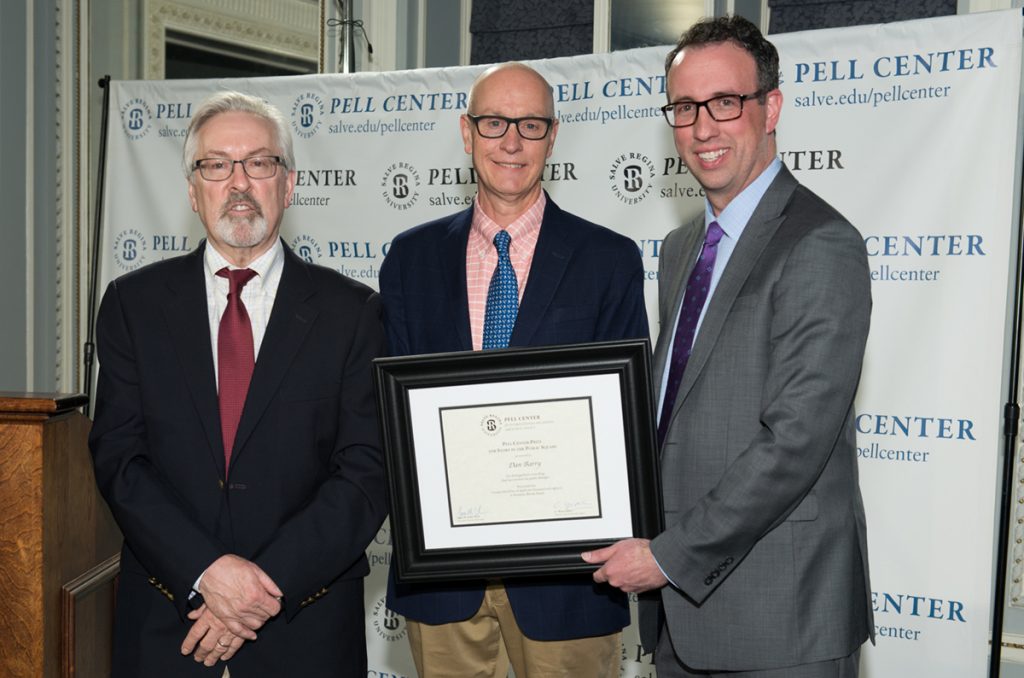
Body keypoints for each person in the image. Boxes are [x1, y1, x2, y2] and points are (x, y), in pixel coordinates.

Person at [583, 15, 874, 678]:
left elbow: (793, 443)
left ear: (770, 107)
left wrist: (667, 555)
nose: (703, 127)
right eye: (685, 107)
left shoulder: (821, 244)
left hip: (780, 618)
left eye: (725, 103)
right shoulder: (683, 246)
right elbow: (674, 415)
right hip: (682, 617)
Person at [89, 91, 387, 677]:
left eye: (259, 162)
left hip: (305, 629)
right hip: (167, 625)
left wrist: (257, 590)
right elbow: (120, 458)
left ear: (289, 183)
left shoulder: (353, 312)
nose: (239, 182)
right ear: (192, 189)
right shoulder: (132, 305)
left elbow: (366, 472)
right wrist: (208, 571)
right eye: (217, 164)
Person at [380, 62, 648, 677]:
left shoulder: (608, 260)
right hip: (444, 581)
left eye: (530, 125)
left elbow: (622, 420)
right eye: (494, 122)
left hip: (568, 582)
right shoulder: (409, 258)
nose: (511, 141)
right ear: (466, 132)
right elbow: (392, 416)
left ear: (553, 137)